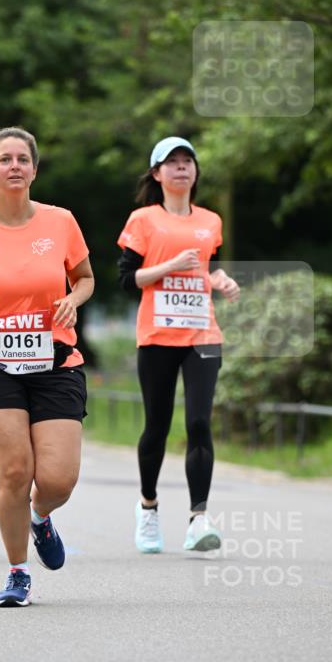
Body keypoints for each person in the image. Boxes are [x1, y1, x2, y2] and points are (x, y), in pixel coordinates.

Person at [0, 127, 94, 607]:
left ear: (33, 168)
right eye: (4, 159)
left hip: (54, 361)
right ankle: (17, 572)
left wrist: (72, 300)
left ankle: (40, 516)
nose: (14, 166)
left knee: (57, 480)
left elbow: (85, 279)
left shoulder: (60, 222)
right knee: (14, 471)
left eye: (22, 159)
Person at [117, 136, 240, 554]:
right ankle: (148, 507)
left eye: (188, 161)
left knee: (200, 423)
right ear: (157, 174)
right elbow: (125, 279)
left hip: (202, 334)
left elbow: (208, 271)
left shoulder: (211, 221)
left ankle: (198, 518)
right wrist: (169, 265)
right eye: (172, 162)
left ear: (195, 172)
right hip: (157, 336)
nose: (182, 168)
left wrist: (219, 281)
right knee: (157, 425)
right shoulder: (143, 220)